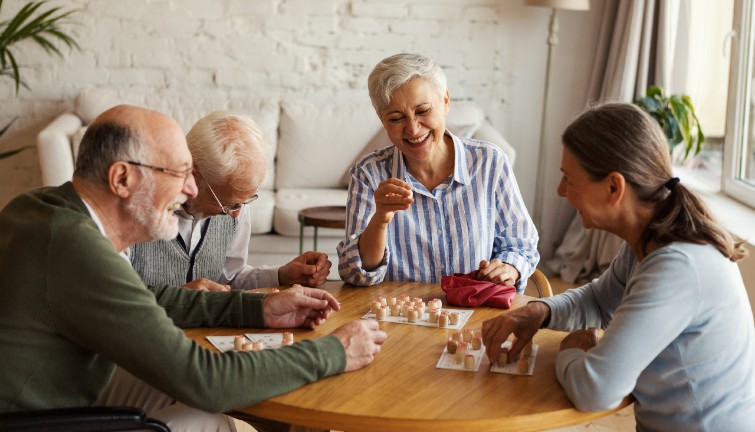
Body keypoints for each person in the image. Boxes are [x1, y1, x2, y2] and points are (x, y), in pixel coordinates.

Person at [0, 105, 387, 431]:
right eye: (179, 173)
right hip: (40, 420)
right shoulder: (77, 248)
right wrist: (333, 351)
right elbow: (204, 380)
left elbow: (144, 298)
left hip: (65, 383)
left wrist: (255, 307)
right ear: (122, 178)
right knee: (207, 419)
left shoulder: (43, 208)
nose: (188, 190)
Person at [481, 102, 755, 431]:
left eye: (569, 178)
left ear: (614, 187)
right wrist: (541, 311)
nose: (561, 191)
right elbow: (599, 300)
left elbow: (595, 391)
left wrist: (571, 349)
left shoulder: (676, 267)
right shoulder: (649, 239)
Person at [337, 53, 539, 291]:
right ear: (382, 119)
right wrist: (380, 219)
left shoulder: (490, 162)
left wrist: (508, 268)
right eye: (396, 118)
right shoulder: (368, 173)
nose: (413, 129)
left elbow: (521, 245)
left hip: (474, 314)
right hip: (400, 320)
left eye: (422, 111)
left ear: (445, 101)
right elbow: (354, 273)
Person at [129, 110, 331, 292]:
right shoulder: (136, 209)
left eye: (245, 202)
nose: (236, 214)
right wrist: (181, 296)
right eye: (229, 204)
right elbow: (114, 300)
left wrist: (281, 275)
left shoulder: (237, 203)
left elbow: (230, 277)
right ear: (193, 174)